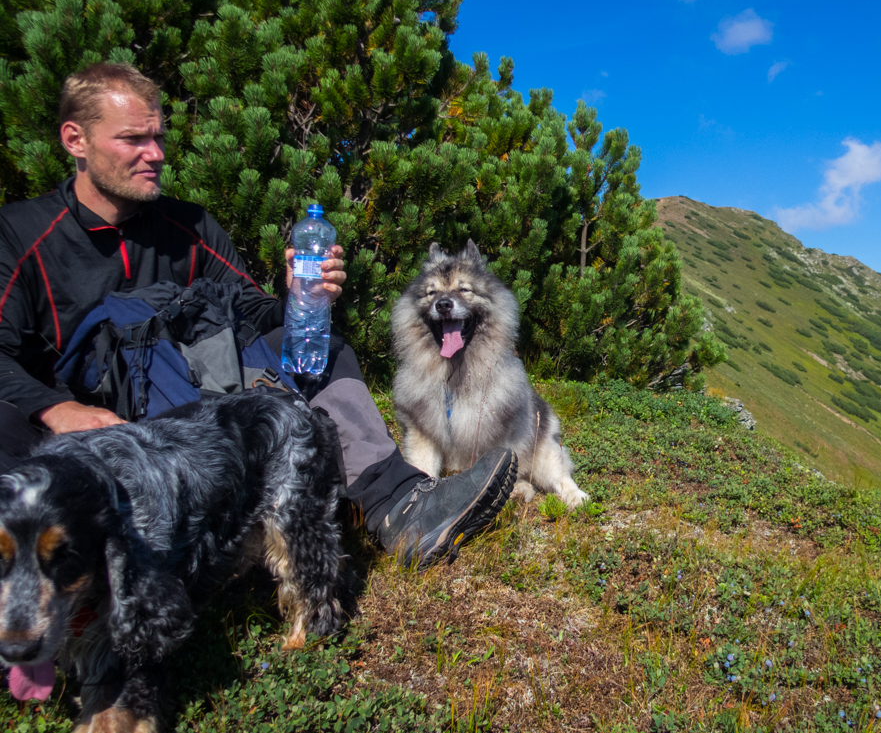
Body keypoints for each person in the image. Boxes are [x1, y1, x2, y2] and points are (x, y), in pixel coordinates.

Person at [0, 62, 513, 565]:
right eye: (133, 139)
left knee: (321, 352)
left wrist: (300, 298)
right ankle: (52, 578)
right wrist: (55, 409)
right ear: (75, 140)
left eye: (158, 137)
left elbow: (257, 314)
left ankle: (399, 506)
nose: (155, 154)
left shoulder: (189, 225)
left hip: (192, 398)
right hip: (84, 416)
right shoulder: (21, 234)